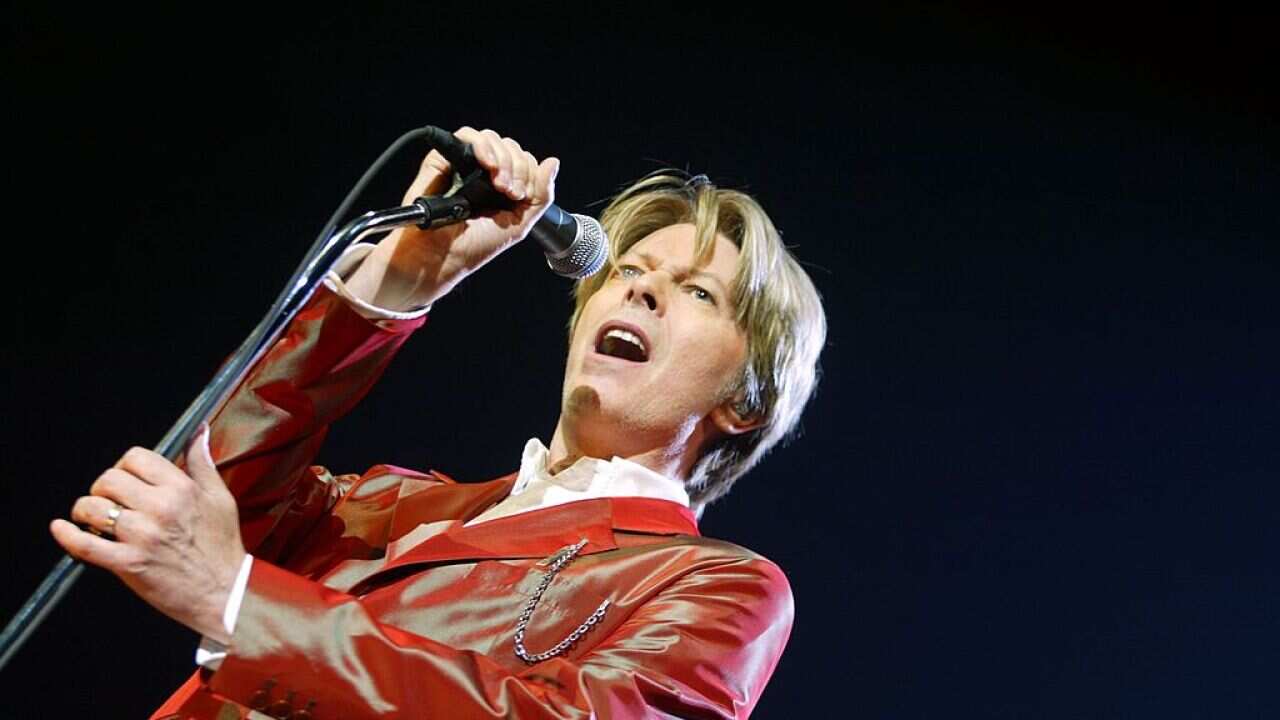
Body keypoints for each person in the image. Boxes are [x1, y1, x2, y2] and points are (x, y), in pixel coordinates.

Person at [50, 127, 827, 719]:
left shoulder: (719, 588)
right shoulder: (387, 502)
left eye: (697, 293)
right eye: (627, 271)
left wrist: (236, 602)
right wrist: (409, 273)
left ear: (745, 401)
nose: (640, 292)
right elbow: (211, 482)